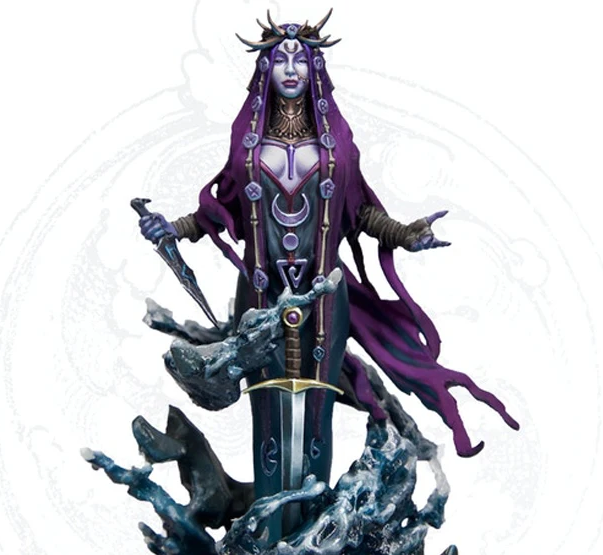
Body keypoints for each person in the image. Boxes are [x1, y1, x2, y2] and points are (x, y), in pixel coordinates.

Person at [139, 11, 519, 509]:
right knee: (267, 413)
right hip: (260, 298)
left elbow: (359, 212)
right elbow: (218, 210)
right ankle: (269, 529)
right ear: (264, 70)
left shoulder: (334, 148)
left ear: (314, 70)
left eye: (300, 59)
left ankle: (315, 527)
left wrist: (405, 235)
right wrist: (171, 229)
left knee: (318, 411)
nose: (290, 68)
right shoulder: (248, 149)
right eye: (281, 59)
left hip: (324, 300)